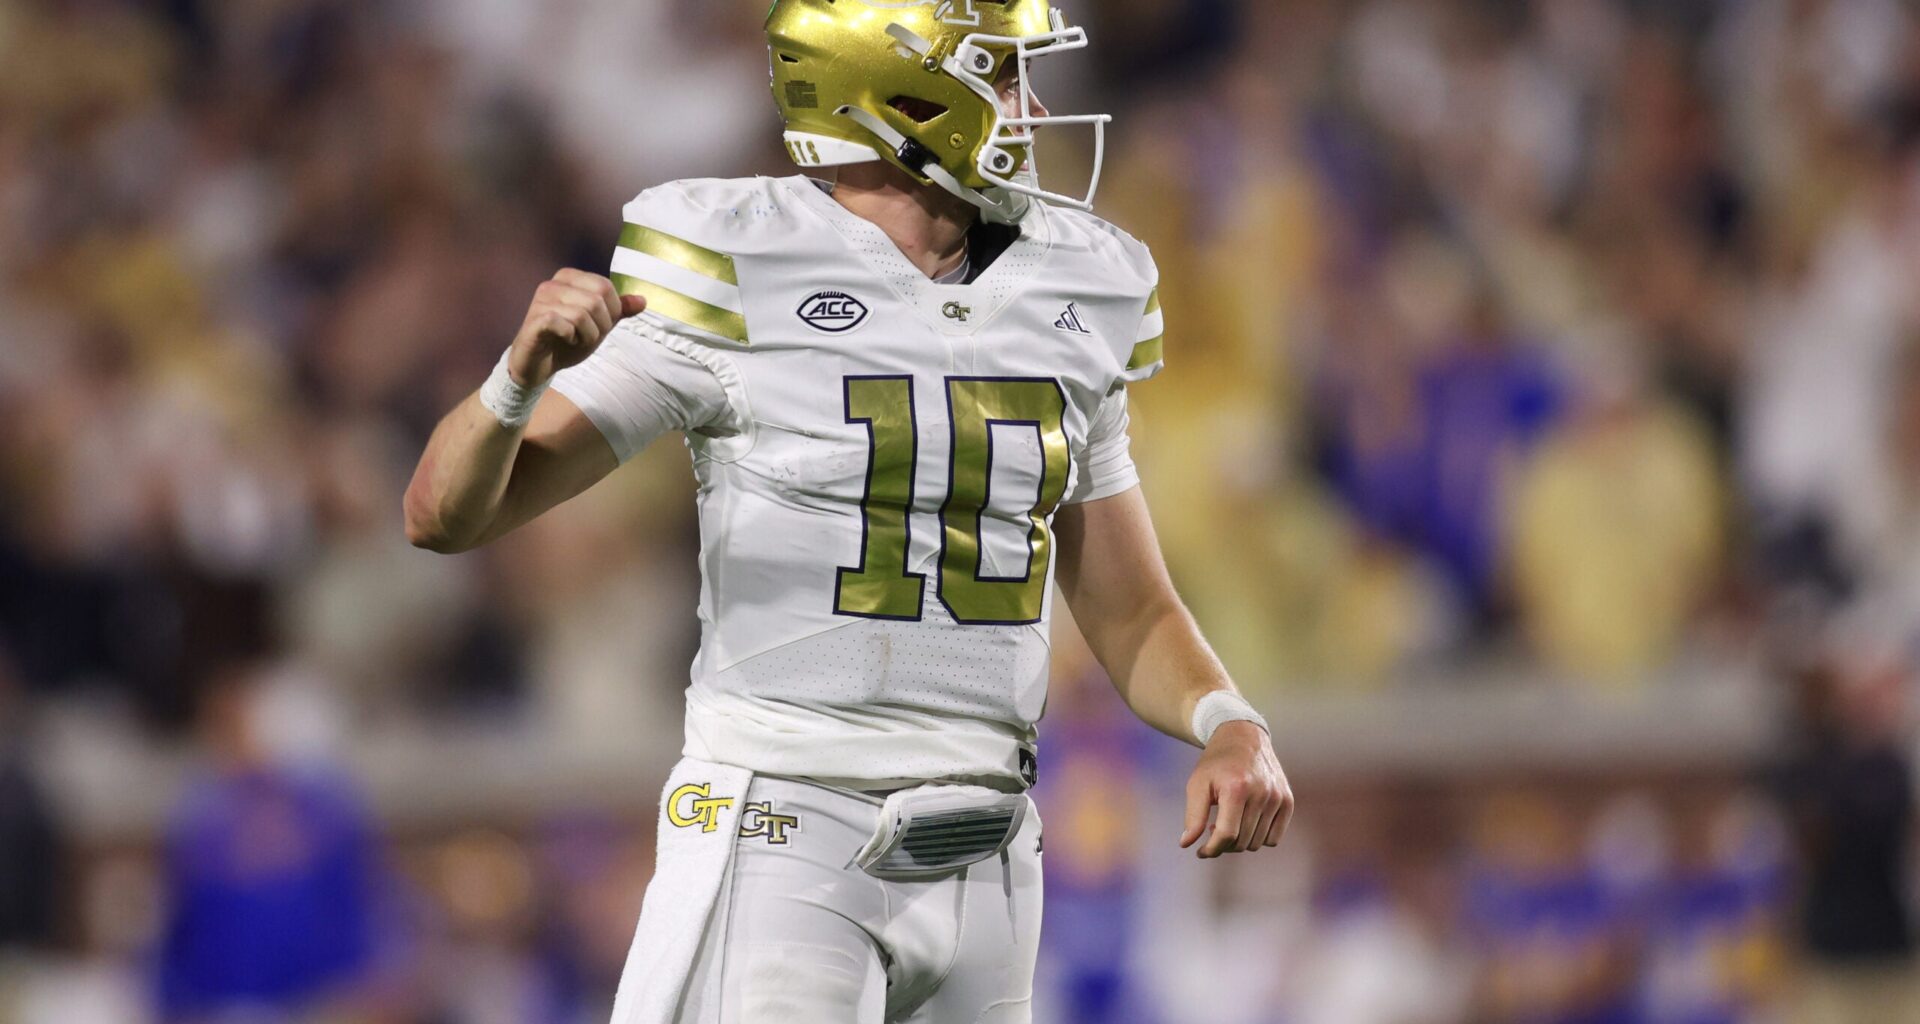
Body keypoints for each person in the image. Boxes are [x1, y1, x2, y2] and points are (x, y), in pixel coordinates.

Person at [403, 2, 1293, 1020]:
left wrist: (1229, 722)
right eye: (999, 75)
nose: (1033, 105)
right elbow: (444, 513)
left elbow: (1131, 608)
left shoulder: (1080, 282)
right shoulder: (738, 259)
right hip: (790, 836)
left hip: (991, 849)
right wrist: (515, 383)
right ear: (902, 91)